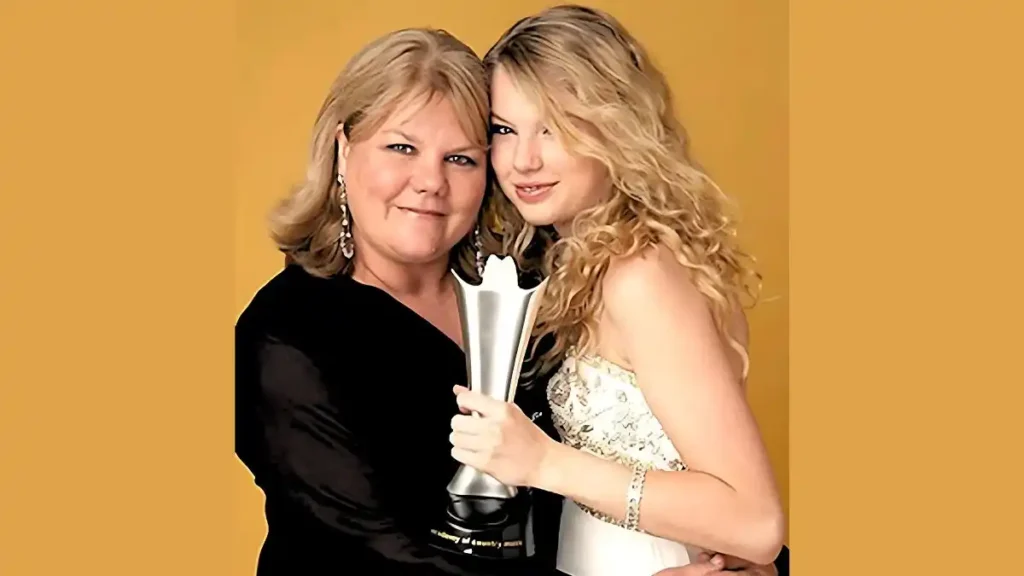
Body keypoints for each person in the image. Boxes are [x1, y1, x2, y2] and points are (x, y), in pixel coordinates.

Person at [234, 24, 771, 576]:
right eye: (402, 147)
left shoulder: (532, 281)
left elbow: (691, 476)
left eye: (461, 158)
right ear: (344, 150)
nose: (429, 182)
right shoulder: (285, 337)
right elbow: (395, 558)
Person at [447, 5, 787, 576]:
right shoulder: (580, 259)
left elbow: (755, 524)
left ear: (612, 125)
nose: (523, 159)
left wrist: (544, 462)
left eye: (554, 126)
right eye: (504, 130)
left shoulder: (639, 274)